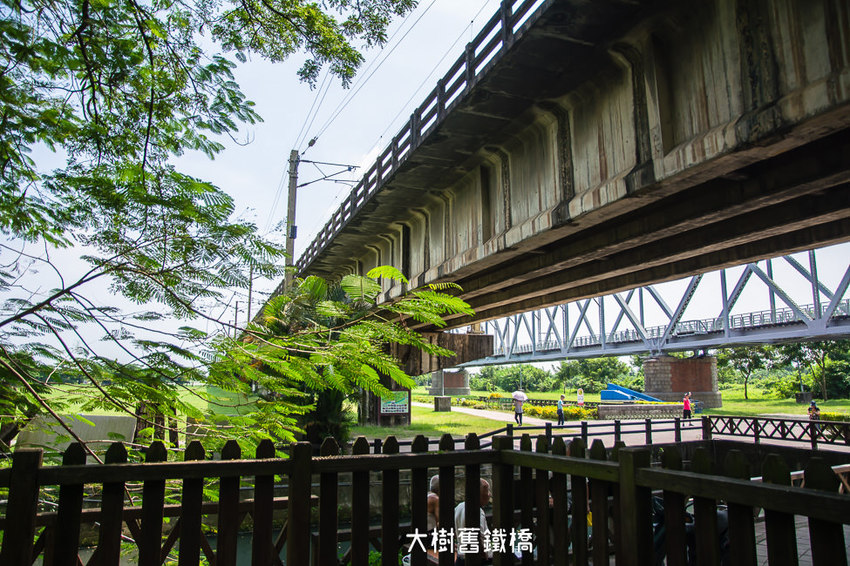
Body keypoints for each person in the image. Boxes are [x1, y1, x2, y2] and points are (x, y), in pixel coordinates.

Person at [454, 478, 493, 565]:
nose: (489, 494)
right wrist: (484, 556)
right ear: (479, 494)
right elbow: (477, 536)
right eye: (487, 491)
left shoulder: (459, 507)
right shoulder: (478, 512)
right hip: (476, 559)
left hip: (460, 558)